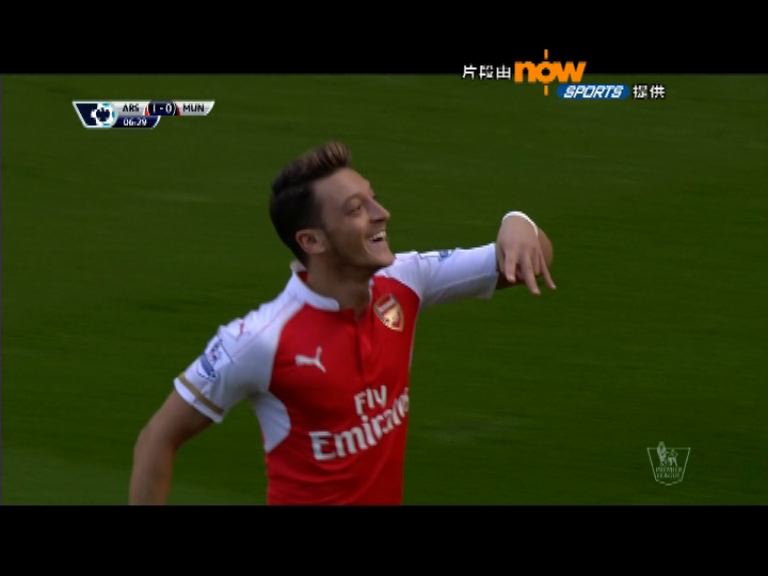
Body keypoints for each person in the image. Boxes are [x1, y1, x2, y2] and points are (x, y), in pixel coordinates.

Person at [130, 141, 555, 504]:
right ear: (311, 240)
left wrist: (519, 223)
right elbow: (157, 438)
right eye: (356, 209)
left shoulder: (406, 280)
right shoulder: (260, 340)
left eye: (373, 198)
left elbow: (523, 262)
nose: (381, 213)